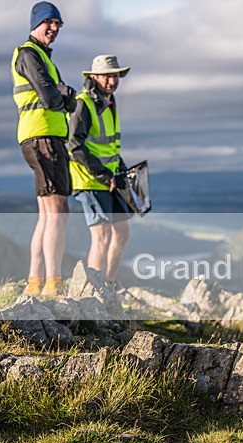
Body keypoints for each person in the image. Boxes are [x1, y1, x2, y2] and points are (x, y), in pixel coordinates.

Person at [12, 2, 75, 297]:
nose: (54, 29)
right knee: (58, 210)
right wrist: (61, 91)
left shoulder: (45, 59)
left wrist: (63, 92)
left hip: (45, 138)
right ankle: (53, 284)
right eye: (49, 22)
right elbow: (52, 98)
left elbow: (69, 98)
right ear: (35, 23)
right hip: (42, 138)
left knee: (48, 214)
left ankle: (35, 282)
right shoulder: (29, 55)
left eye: (58, 24)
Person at [67, 55, 133, 283]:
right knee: (102, 235)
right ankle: (93, 292)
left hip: (111, 179)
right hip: (90, 179)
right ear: (94, 77)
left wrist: (122, 172)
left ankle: (108, 284)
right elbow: (74, 143)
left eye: (115, 76)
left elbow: (110, 147)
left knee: (122, 233)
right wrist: (102, 174)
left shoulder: (110, 103)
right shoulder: (83, 103)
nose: (111, 81)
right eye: (106, 76)